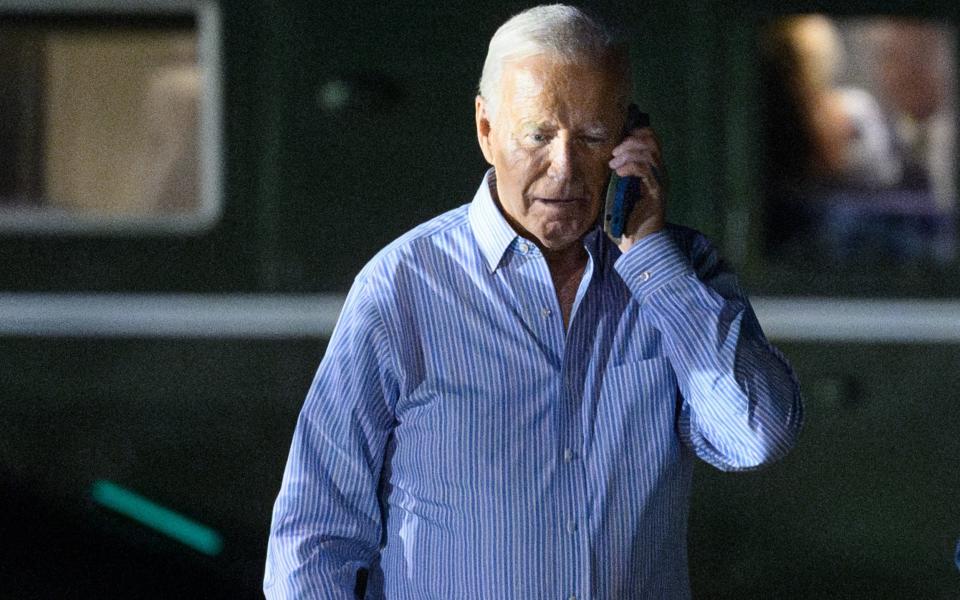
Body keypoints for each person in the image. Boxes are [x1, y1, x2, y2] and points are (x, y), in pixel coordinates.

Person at [264, 5, 803, 598]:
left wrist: (650, 260)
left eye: (594, 136)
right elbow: (312, 542)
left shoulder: (682, 274)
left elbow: (754, 434)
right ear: (486, 131)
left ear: (630, 139)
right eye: (538, 135)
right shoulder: (402, 289)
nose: (564, 168)